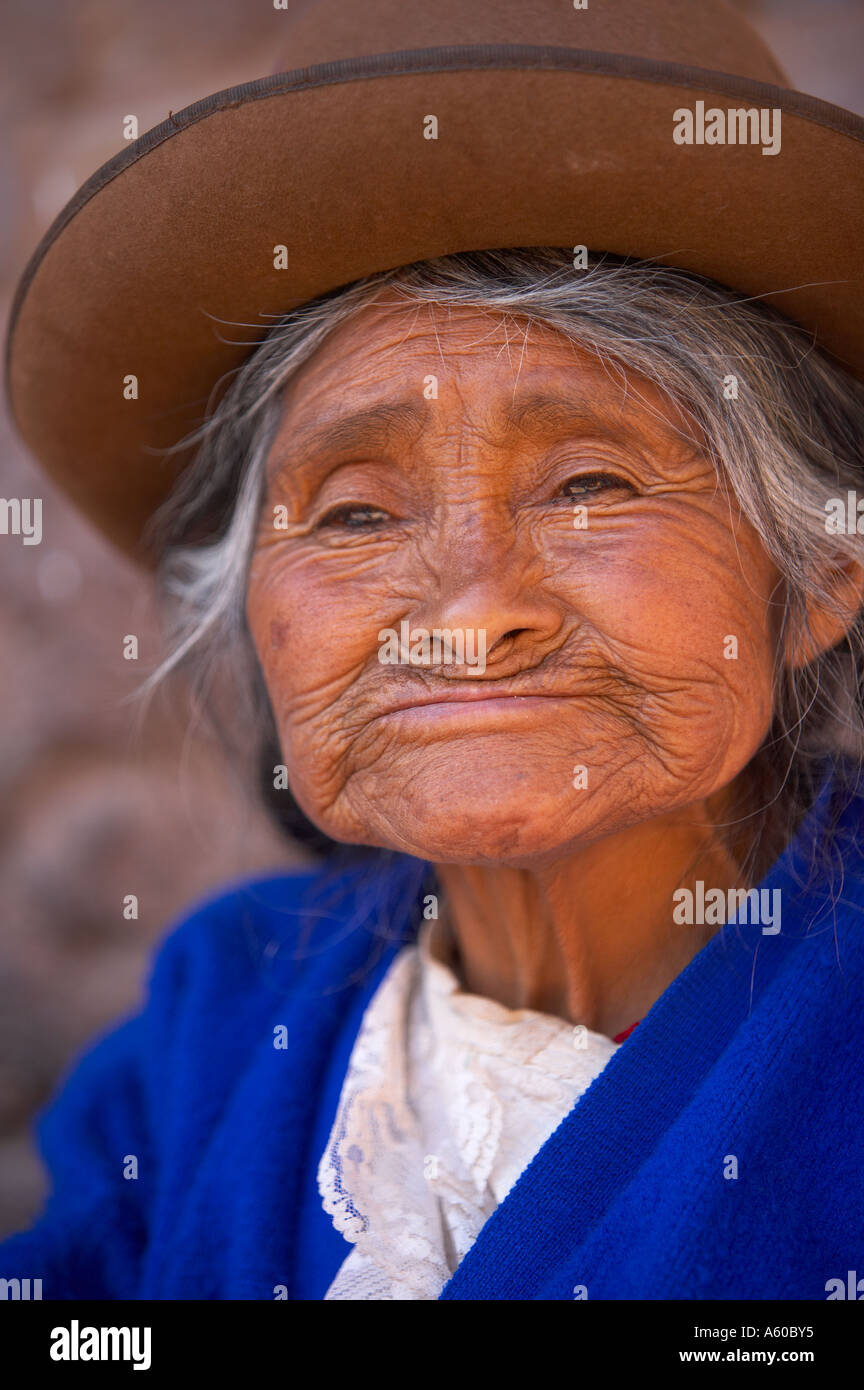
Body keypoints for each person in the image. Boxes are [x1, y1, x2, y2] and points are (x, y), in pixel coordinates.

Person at [2, 0, 864, 1300]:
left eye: (590, 485)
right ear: (255, 613)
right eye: (354, 512)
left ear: (819, 576)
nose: (467, 614)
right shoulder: (215, 1020)